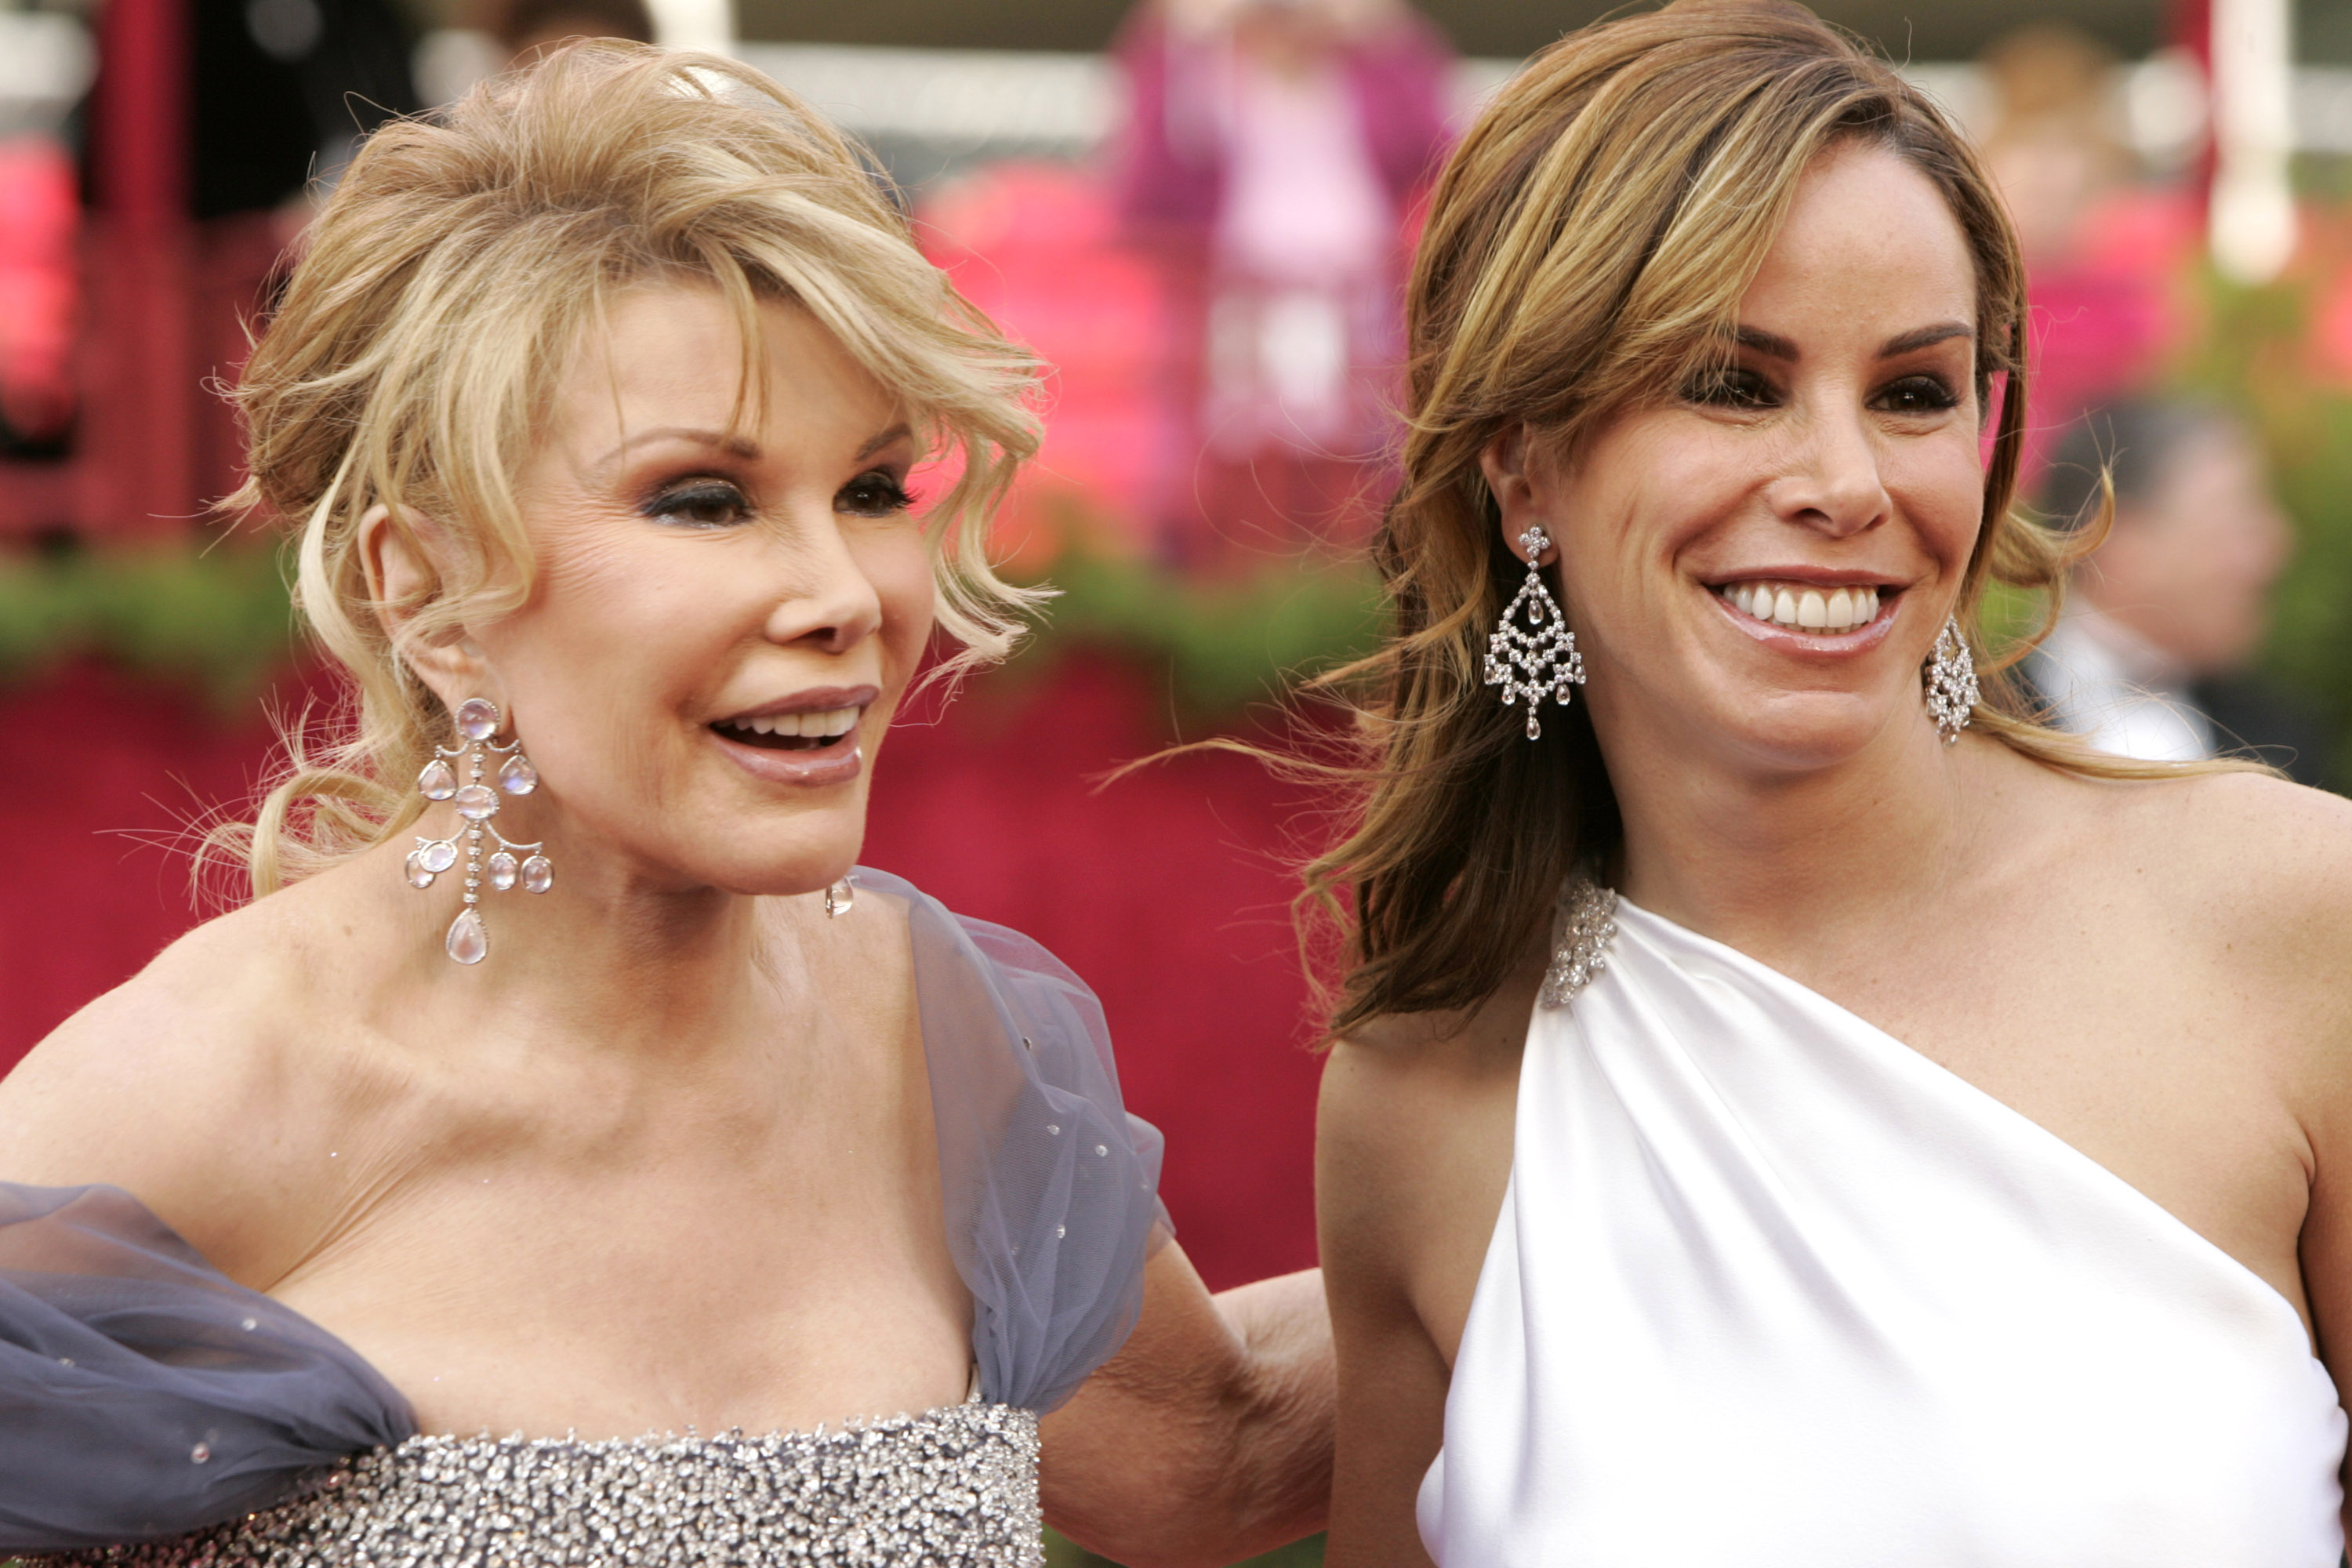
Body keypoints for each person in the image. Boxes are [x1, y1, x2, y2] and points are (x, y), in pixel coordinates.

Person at [0, 45, 1329, 1566]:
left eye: (877, 490)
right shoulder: (205, 1100)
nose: (844, 595)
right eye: (704, 498)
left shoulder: (941, 1051)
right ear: (424, 590)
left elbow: (1210, 1449)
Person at [1311, 4, 2352, 1564]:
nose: (1848, 482)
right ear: (1523, 466)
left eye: (1915, 392)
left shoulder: (2291, 921)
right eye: (1735, 383)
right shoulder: (1422, 1103)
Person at [2028, 398, 2326, 783]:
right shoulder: (1983, 726)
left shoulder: (2282, 740)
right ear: (2116, 539)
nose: (2275, 548)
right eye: (2239, 522)